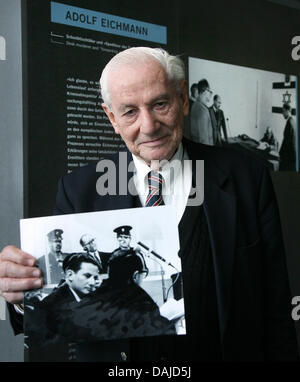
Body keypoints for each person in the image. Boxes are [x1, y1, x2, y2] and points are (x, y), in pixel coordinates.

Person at [0, 47, 298, 361]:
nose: (149, 126)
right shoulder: (78, 191)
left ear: (182, 99)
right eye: (129, 111)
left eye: (160, 104)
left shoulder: (247, 178)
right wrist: (21, 294)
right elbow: (60, 304)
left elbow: (276, 308)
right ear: (111, 117)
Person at [190, 79, 214, 145]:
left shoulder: (195, 105)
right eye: (210, 91)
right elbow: (204, 139)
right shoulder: (202, 110)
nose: (211, 94)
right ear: (205, 91)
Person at [279, 103, 297, 171]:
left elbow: (286, 141)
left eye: (283, 111)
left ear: (287, 111)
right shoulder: (293, 122)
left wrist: (280, 154)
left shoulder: (289, 123)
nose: (282, 113)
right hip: (292, 157)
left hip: (289, 158)